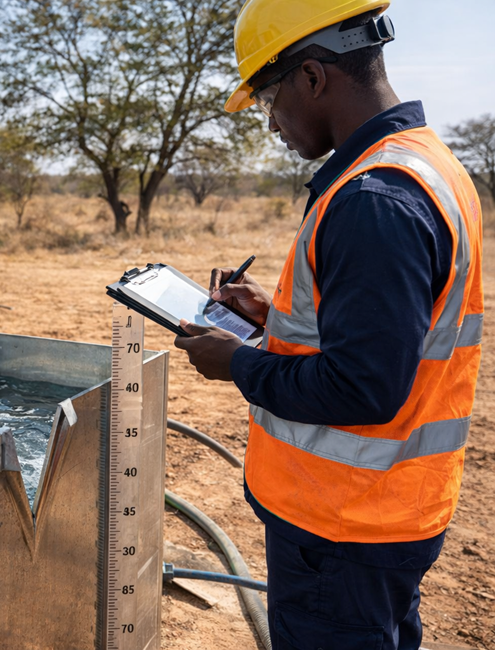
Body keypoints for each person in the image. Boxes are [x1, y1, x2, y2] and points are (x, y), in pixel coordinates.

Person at [172, 1, 485, 649]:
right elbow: (389, 333)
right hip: (382, 513)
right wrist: (269, 318)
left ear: (311, 77)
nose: (269, 122)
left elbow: (362, 388)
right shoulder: (424, 164)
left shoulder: (373, 199)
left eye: (266, 96)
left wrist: (235, 361)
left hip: (345, 526)